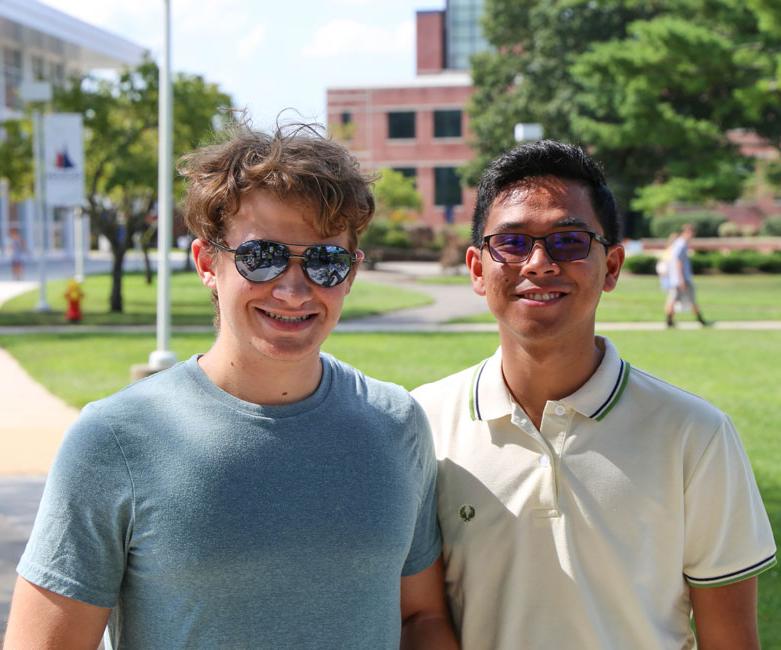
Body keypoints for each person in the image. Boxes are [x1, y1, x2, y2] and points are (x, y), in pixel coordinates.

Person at [5, 123, 457, 650]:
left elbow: (420, 618)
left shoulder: (396, 423)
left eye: (324, 261)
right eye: (261, 257)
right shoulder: (115, 439)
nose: (292, 289)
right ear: (206, 264)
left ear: (351, 274)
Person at [412, 140, 776, 649]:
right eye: (512, 243)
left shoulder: (694, 434)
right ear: (477, 268)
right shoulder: (420, 425)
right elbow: (418, 619)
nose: (539, 263)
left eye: (569, 240)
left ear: (611, 267)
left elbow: (730, 637)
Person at [664, 222, 709, 327]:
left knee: (674, 299)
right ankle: (700, 320)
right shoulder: (681, 244)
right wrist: (681, 279)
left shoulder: (678, 243)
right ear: (687, 232)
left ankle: (670, 321)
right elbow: (678, 262)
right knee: (686, 299)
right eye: (692, 233)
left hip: (678, 278)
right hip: (682, 279)